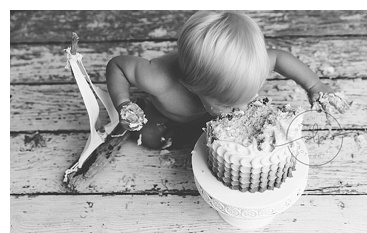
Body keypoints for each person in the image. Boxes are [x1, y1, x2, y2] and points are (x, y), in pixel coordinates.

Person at [105, 10, 344, 149]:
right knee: (151, 137)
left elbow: (280, 58)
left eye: (246, 98)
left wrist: (314, 85)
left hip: (201, 115)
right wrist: (124, 104)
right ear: (190, 85)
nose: (241, 110)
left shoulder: (245, 68)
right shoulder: (157, 78)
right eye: (229, 104)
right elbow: (117, 66)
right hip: (166, 115)